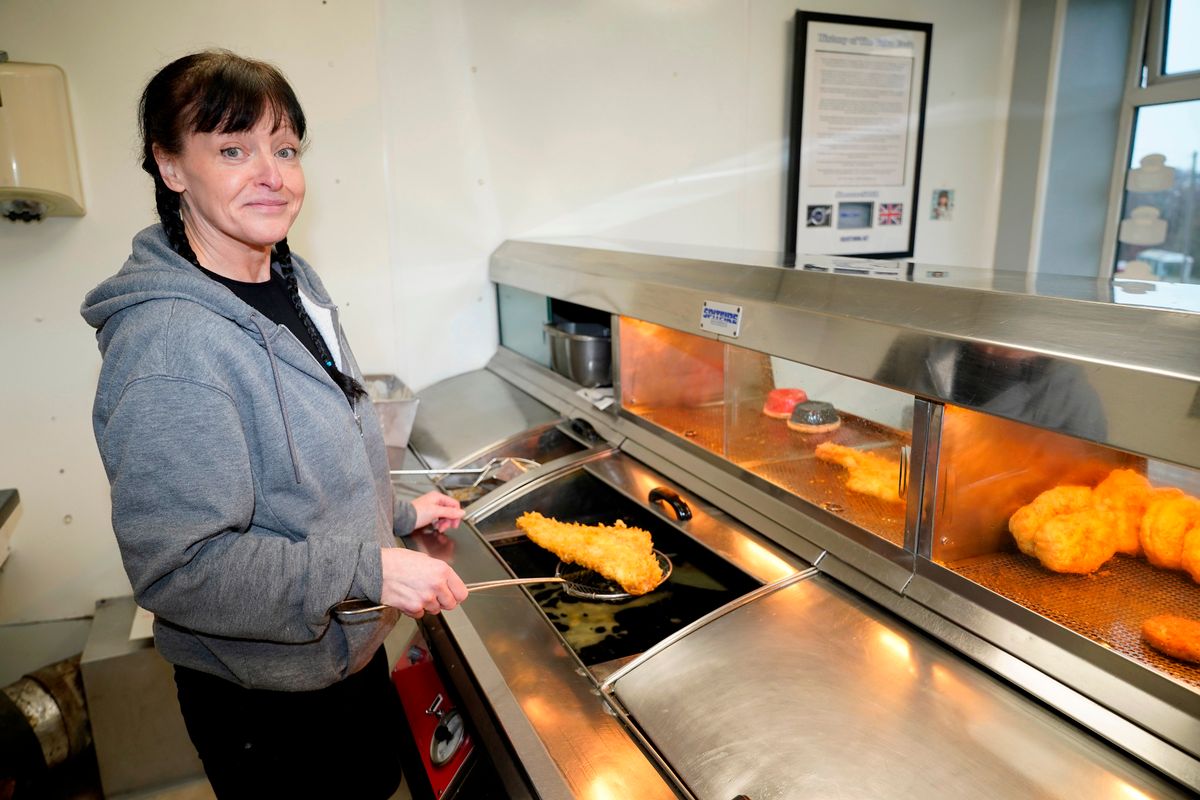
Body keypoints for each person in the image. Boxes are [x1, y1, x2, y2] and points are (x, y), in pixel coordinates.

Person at [80, 50, 469, 799]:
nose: (273, 174)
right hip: (268, 704)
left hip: (347, 655)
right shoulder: (170, 343)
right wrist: (368, 568)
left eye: (285, 149)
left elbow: (301, 471)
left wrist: (395, 514)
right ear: (170, 167)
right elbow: (179, 570)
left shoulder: (288, 279)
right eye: (232, 149)